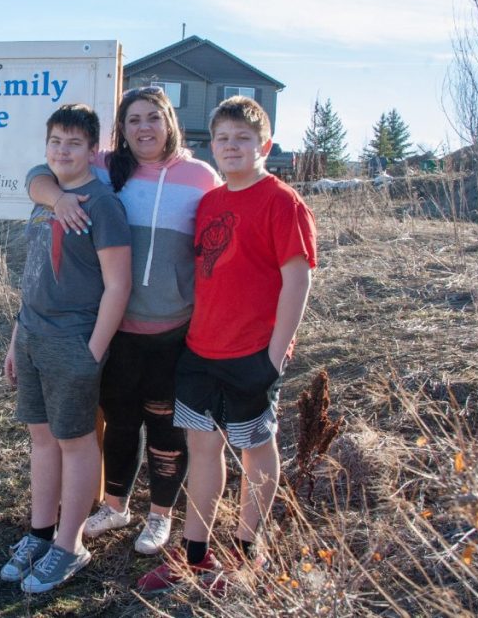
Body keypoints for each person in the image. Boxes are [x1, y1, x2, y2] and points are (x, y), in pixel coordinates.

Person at [28, 87, 221, 555]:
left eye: (153, 117)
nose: (144, 128)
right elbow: (40, 172)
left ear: (169, 121)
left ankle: (160, 514)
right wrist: (56, 199)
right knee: (118, 420)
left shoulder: (200, 177)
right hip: (114, 326)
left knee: (163, 423)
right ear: (122, 128)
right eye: (133, 120)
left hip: (172, 326)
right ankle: (115, 504)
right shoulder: (108, 168)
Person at [137, 96, 317, 594]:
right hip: (200, 350)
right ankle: (196, 553)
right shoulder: (211, 201)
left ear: (265, 145)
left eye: (243, 138)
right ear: (210, 144)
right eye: (223, 139)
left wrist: (274, 358)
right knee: (202, 446)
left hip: (252, 354)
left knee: (256, 447)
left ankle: (245, 550)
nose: (232, 147)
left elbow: (297, 282)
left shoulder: (282, 202)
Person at [1, 104, 132, 593]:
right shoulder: (45, 199)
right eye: (56, 141)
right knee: (41, 440)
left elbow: (118, 286)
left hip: (73, 342)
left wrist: (93, 352)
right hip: (33, 337)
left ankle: (69, 544)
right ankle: (39, 533)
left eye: (74, 143)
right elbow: (32, 278)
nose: (62, 150)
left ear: (92, 151)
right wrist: (17, 339)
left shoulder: (103, 205)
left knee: (76, 443)